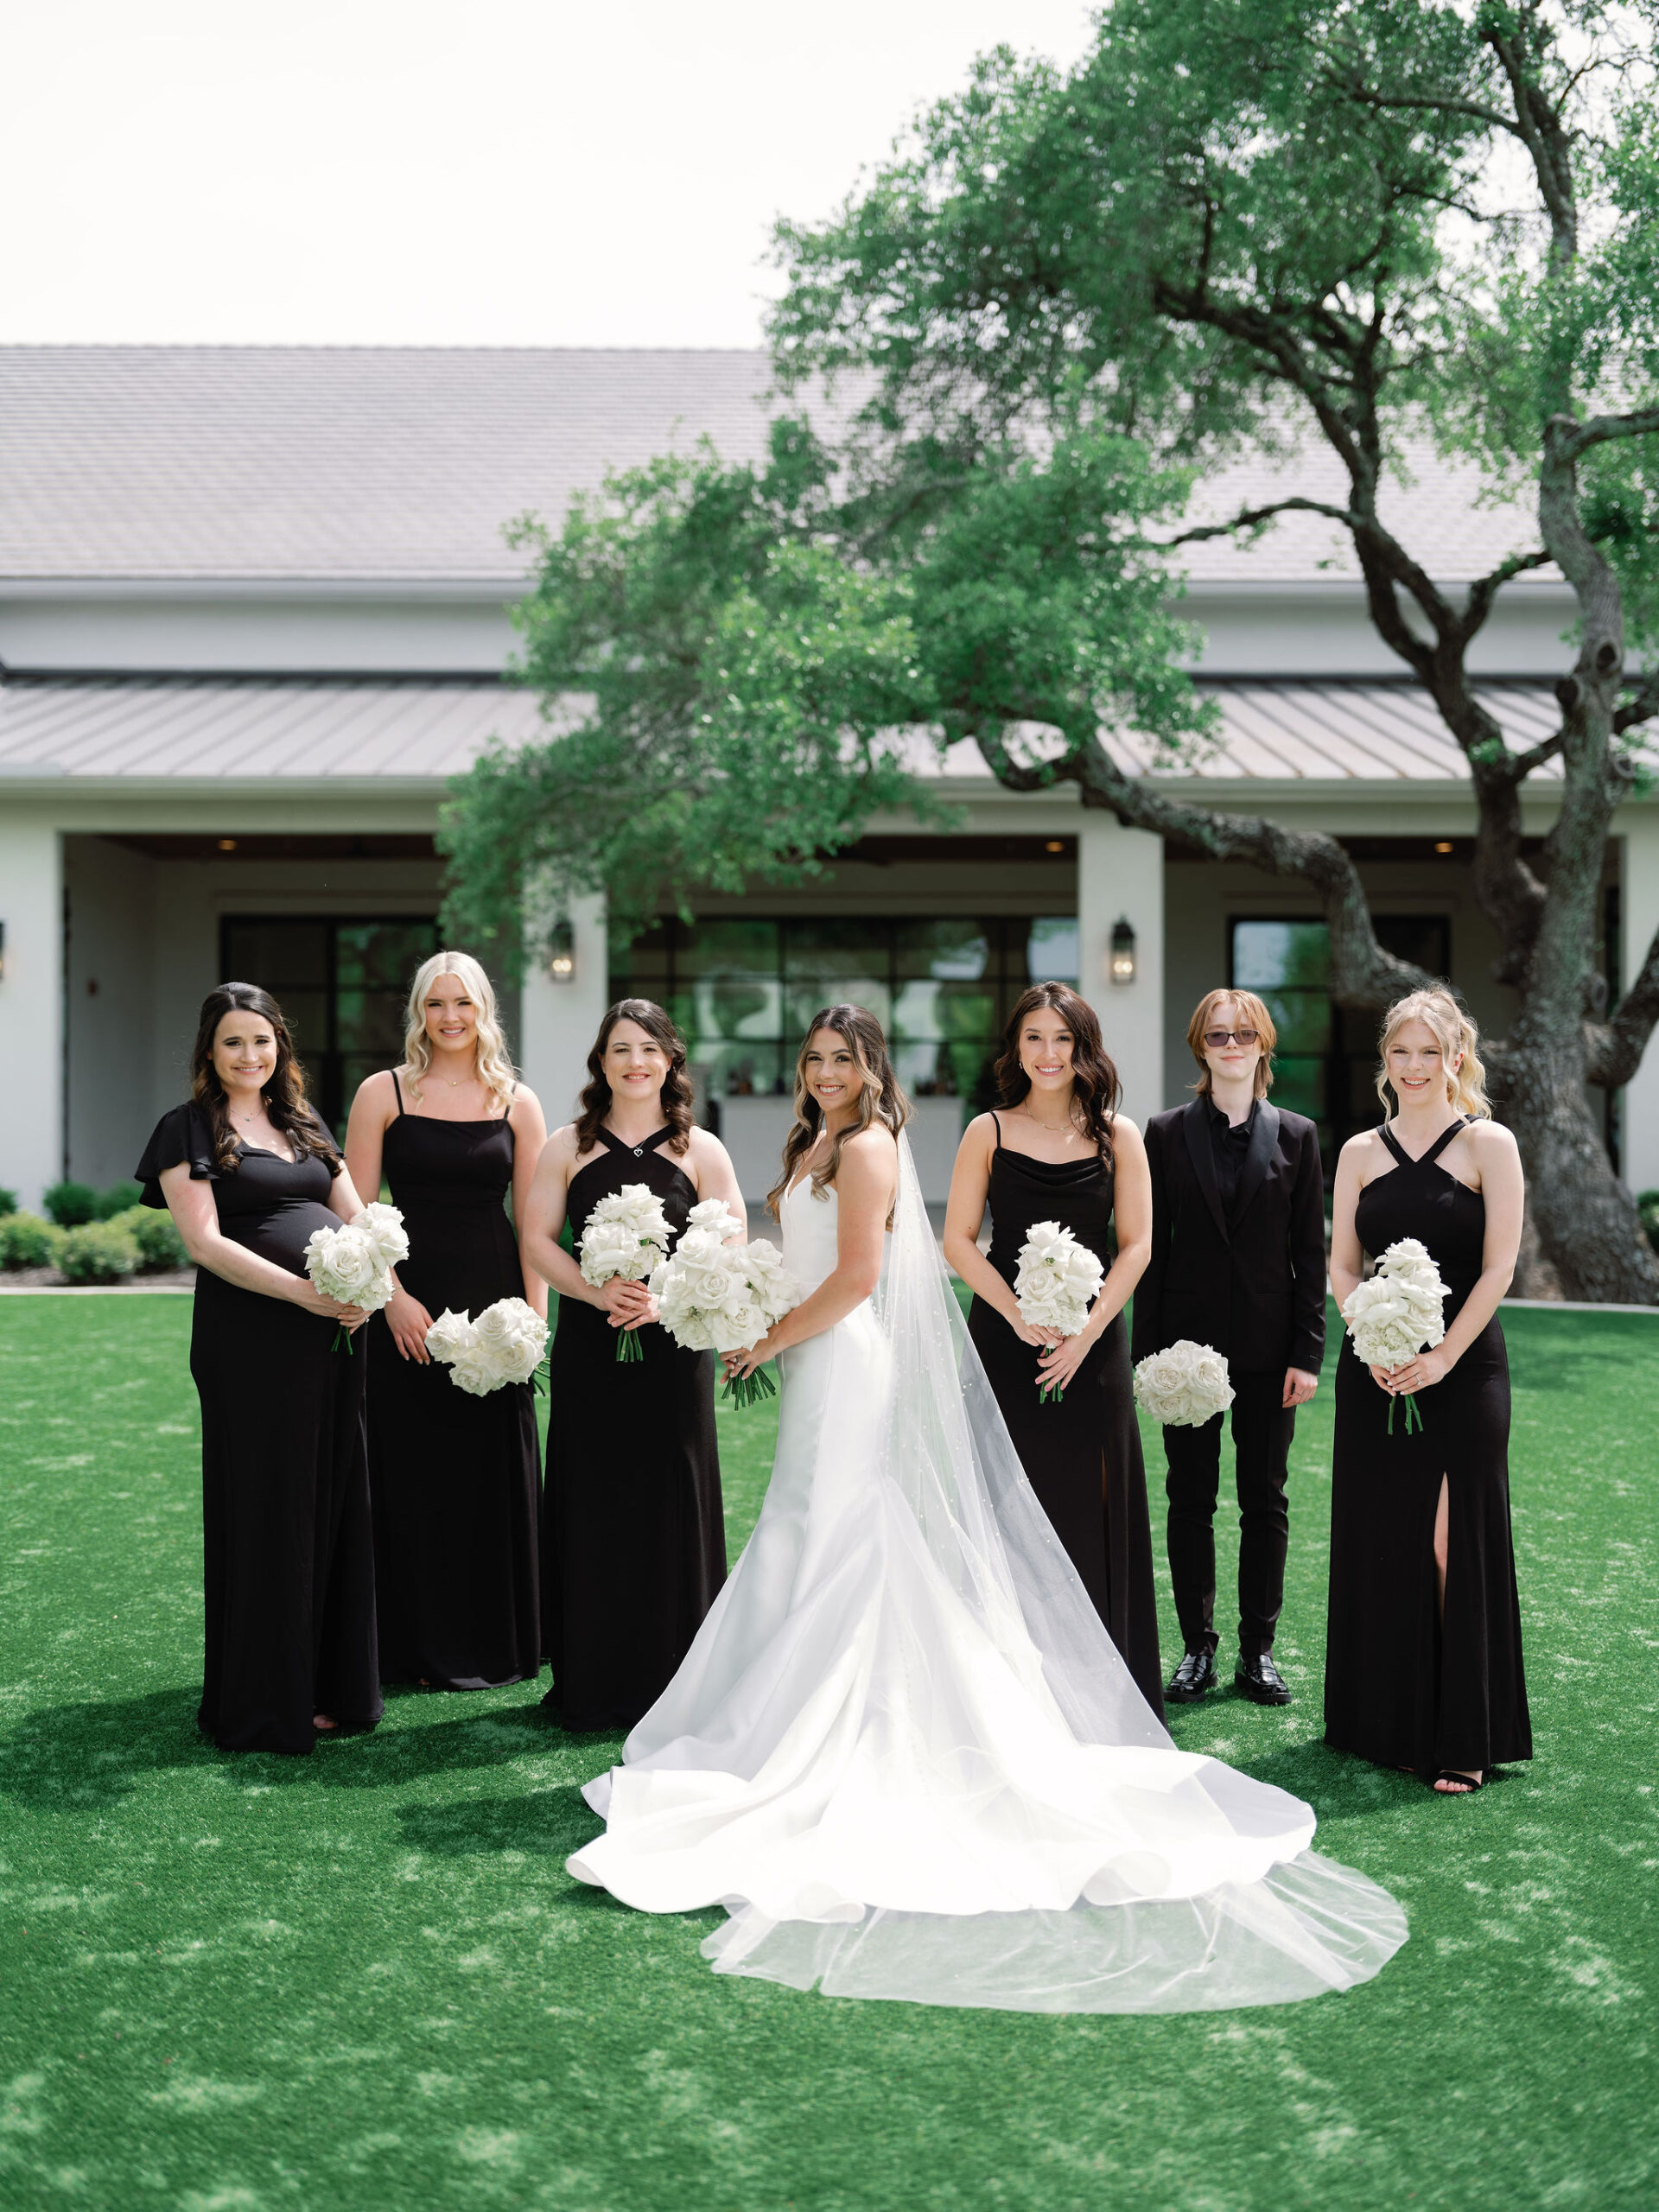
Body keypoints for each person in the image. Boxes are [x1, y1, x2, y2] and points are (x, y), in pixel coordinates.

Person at [565, 1004, 1407, 2015]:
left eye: (845, 1057)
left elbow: (862, 1276)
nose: (828, 1071)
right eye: (816, 1058)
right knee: (801, 1533)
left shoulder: (871, 1145)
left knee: (844, 1539)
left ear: (872, 1067)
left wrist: (770, 1336)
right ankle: (771, 1719)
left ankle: (827, 1734)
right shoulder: (816, 1139)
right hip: (813, 1366)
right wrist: (741, 1300)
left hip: (841, 1362)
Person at [136, 982, 381, 1755]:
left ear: (282, 1048)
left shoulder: (304, 1122)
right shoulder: (187, 1129)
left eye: (263, 1040)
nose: (251, 1055)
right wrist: (303, 1294)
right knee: (269, 1509)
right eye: (234, 1042)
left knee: (332, 1498)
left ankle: (330, 1685)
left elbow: (360, 1215)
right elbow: (205, 1243)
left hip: (333, 1337)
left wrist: (375, 1283)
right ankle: (264, 1698)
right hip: (252, 1342)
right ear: (210, 1052)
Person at [1325, 988, 1529, 1794]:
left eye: (1429, 1053)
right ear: (1386, 1061)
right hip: (1373, 1370)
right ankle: (1395, 1726)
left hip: (1464, 1368)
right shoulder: (1358, 1153)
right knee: (1387, 1539)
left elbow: (1500, 1265)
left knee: (1451, 1540)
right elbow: (1343, 1262)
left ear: (1456, 1058)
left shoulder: (1490, 1143)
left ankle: (1464, 1735)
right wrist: (1366, 1329)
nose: (1413, 1068)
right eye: (1400, 1053)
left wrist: (1442, 1356)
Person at [522, 998, 743, 1731]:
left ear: (671, 1061)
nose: (636, 1062)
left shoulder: (702, 1150)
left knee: (670, 1498)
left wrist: (668, 1297)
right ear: (602, 1063)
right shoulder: (567, 1146)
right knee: (594, 1495)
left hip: (673, 1353)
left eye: (650, 1049)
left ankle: (675, 1678)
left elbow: (731, 1246)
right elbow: (537, 1241)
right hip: (593, 1349)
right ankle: (592, 1676)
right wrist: (594, 1289)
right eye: (621, 1049)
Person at [944, 982, 1162, 1713]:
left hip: (1092, 1350)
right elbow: (959, 1243)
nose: (1047, 1053)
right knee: (1005, 1500)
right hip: (1004, 1345)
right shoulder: (989, 1130)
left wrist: (1085, 1334)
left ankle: (1103, 1692)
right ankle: (1010, 1694)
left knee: (1092, 1500)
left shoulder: (1117, 1136)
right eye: (1033, 1038)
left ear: (1083, 1048)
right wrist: (1015, 1317)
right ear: (1015, 1048)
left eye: (1062, 1039)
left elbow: (1135, 1247)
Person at [344, 951, 547, 1692]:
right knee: (408, 1468)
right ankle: (406, 1647)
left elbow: (533, 1223)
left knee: (490, 1470)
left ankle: (498, 1641)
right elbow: (357, 1212)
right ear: (419, 1012)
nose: (451, 1017)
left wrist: (532, 1324)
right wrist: (389, 1296)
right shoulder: (383, 1093)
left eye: (464, 1003)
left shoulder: (516, 1101)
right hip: (407, 1302)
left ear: (484, 1009)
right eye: (437, 1004)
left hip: (495, 1300)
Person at [1133, 990, 1325, 1708]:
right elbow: (1150, 1251)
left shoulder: (1300, 1137)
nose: (1231, 1044)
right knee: (1189, 1500)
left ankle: (1259, 1651)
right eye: (1218, 1034)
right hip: (1184, 1353)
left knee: (1264, 1502)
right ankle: (1196, 1648)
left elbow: (1310, 1251)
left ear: (1263, 1045)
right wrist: (1145, 1354)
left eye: (1244, 1033)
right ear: (1200, 1046)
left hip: (1271, 1354)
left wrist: (1307, 1354)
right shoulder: (1163, 1133)